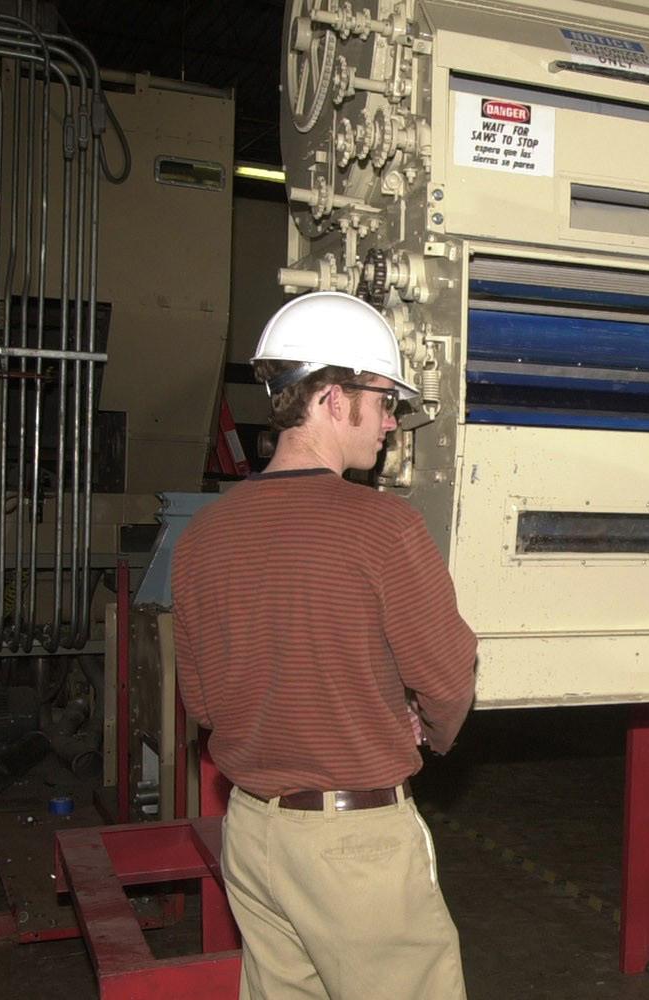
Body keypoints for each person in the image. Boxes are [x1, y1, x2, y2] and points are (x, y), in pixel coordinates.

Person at [173, 291, 478, 1000]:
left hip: (252, 835)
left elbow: (205, 705)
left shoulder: (203, 537)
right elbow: (447, 676)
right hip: (354, 847)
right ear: (335, 399)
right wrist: (428, 731)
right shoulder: (382, 527)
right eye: (384, 400)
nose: (393, 421)